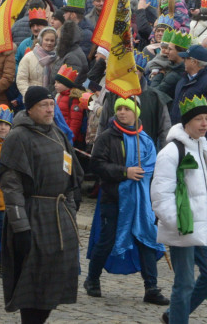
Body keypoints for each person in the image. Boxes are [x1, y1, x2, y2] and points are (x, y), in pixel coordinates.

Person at [0, 86, 83, 323]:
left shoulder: (56, 132)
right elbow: (11, 185)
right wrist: (21, 227)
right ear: (30, 108)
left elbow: (72, 176)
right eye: (43, 106)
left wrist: (71, 211)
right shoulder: (18, 137)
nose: (49, 110)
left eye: (51, 105)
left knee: (55, 280)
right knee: (34, 284)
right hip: (33, 215)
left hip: (59, 213)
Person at [85, 95, 168, 305]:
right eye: (119, 108)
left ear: (136, 113)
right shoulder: (107, 137)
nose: (122, 112)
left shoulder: (145, 140)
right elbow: (96, 164)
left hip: (140, 202)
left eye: (127, 109)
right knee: (107, 240)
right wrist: (125, 172)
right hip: (114, 198)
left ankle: (151, 287)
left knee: (145, 239)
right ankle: (92, 279)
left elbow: (152, 169)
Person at [150, 94, 207, 324]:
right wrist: (176, 223)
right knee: (184, 284)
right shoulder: (172, 152)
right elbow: (160, 194)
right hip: (183, 227)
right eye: (198, 119)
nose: (204, 123)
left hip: (203, 227)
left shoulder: (204, 148)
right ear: (186, 123)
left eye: (206, 118)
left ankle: (173, 315)